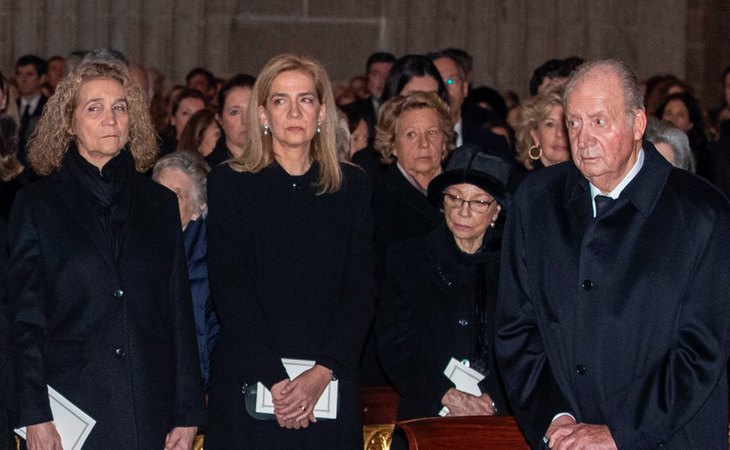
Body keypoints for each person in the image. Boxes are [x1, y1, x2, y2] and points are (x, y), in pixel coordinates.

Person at [496, 59, 730, 449]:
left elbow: (701, 351)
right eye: (574, 123)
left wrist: (617, 431)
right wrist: (556, 417)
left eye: (599, 122)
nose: (583, 139)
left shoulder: (701, 213)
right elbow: (517, 327)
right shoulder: (538, 201)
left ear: (638, 124)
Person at [9, 61, 206, 449]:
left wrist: (186, 413)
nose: (111, 119)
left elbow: (178, 311)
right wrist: (34, 414)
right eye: (94, 108)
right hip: (70, 408)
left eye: (120, 107)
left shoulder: (160, 203)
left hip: (148, 406)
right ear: (68, 122)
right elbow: (24, 320)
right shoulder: (37, 204)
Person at [204, 54, 374, 449]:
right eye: (281, 101)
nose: (294, 112)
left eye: (306, 100)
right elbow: (231, 289)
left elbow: (360, 289)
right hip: (251, 378)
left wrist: (322, 372)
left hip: (328, 382)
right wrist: (278, 383)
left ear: (322, 112)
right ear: (263, 114)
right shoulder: (230, 184)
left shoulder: (352, 187)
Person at [377, 144, 511, 449]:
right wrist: (445, 393)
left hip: (498, 418)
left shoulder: (515, 266)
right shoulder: (408, 260)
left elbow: (527, 343)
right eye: (454, 198)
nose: (463, 211)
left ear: (496, 210)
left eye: (478, 202)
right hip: (427, 417)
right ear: (442, 201)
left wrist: (493, 397)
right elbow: (395, 344)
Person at [153, 151, 219, 390]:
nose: (161, 201)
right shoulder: (136, 247)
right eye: (157, 191)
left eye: (175, 196)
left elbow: (210, 335)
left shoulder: (213, 259)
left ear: (198, 207)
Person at [514, 82, 570, 172]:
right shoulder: (522, 183)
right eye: (550, 125)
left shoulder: (590, 183)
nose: (560, 133)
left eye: (566, 124)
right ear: (535, 135)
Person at [206, 74, 256, 167]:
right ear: (220, 120)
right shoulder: (206, 172)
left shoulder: (284, 165)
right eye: (234, 112)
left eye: (252, 110)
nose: (245, 121)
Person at [14, 55, 48, 166]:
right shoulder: (9, 107)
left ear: (42, 78)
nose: (23, 79)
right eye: (19, 74)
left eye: (29, 74)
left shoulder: (50, 109)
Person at [159, 88, 207, 157]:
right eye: (186, 113)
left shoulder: (210, 152)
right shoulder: (160, 151)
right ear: (173, 118)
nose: (192, 119)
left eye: (199, 114)